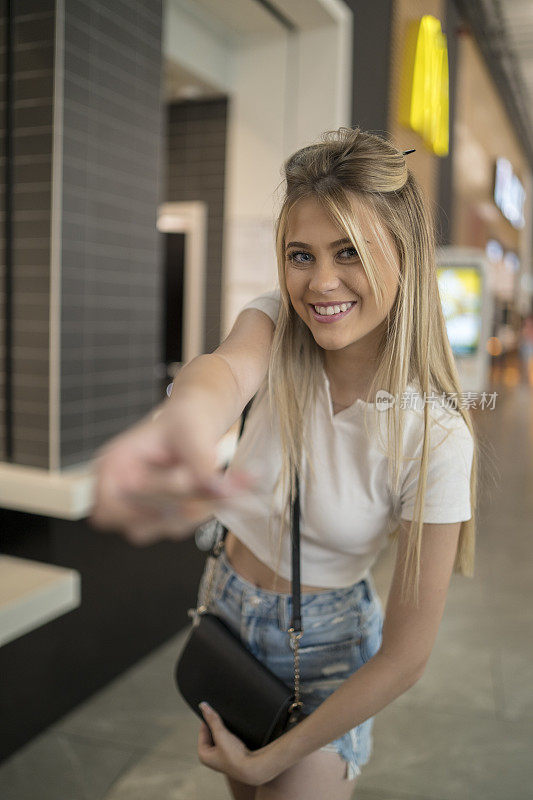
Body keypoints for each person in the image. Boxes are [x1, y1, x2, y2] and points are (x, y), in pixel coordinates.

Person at [89, 127, 477, 800]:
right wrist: (180, 427)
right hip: (228, 611)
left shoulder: (434, 433)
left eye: (349, 253)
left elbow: (407, 657)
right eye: (302, 254)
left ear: (404, 257)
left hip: (333, 653)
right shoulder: (274, 325)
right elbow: (222, 373)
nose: (320, 282)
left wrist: (273, 762)